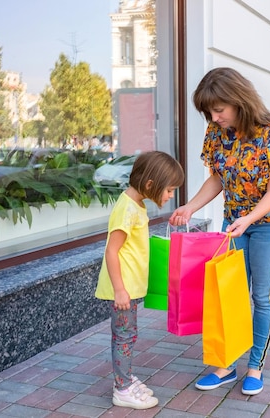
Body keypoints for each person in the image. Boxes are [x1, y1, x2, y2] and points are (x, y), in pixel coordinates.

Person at [169, 67, 270, 396]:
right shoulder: (217, 133)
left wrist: (250, 218)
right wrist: (191, 207)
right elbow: (217, 178)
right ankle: (226, 365)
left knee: (262, 298)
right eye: (209, 111)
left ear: (239, 101)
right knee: (230, 295)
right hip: (234, 222)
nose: (214, 116)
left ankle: (255, 366)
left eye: (219, 110)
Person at [95, 151, 184, 409]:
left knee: (128, 335)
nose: (169, 196)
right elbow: (112, 251)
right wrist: (120, 290)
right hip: (123, 289)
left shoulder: (137, 204)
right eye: (168, 190)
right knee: (123, 336)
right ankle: (122, 389)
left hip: (130, 287)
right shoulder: (126, 209)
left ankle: (125, 378)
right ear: (149, 184)